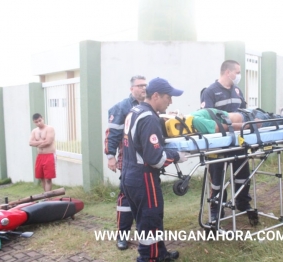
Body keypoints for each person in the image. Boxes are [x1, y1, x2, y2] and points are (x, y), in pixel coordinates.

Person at [122, 77, 188, 262]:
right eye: (169, 97)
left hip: (129, 174)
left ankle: (160, 254)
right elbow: (155, 159)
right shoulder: (149, 118)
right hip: (144, 178)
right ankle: (148, 258)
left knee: (147, 218)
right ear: (156, 96)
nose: (171, 101)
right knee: (150, 220)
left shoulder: (135, 111)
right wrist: (176, 155)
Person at [200, 60, 252, 220]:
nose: (239, 76)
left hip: (238, 142)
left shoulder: (237, 91)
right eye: (237, 72)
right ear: (227, 72)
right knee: (217, 180)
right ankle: (217, 209)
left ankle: (243, 203)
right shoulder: (210, 92)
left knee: (243, 174)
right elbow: (207, 119)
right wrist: (235, 125)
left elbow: (243, 112)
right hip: (218, 145)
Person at [104, 75, 147, 250]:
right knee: (126, 198)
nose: (144, 88)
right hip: (128, 160)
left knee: (147, 198)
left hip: (147, 161)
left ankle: (145, 233)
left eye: (145, 85)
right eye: (140, 86)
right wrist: (111, 156)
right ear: (131, 89)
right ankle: (122, 235)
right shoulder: (121, 107)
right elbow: (112, 134)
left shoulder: (149, 105)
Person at [29, 113, 56, 192]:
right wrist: (41, 142)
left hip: (49, 155)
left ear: (42, 118)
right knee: (42, 177)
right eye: (36, 122)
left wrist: (37, 143)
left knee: (48, 178)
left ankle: (48, 197)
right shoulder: (34, 131)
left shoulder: (49, 129)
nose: (39, 123)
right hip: (40, 156)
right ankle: (45, 195)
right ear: (34, 122)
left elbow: (48, 142)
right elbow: (30, 143)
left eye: (40, 120)